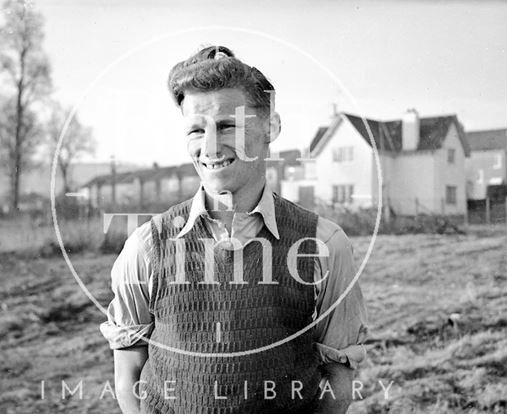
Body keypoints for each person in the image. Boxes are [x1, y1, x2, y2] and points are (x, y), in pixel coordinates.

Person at [100, 45, 368, 413]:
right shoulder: (146, 246)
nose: (209, 147)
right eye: (196, 130)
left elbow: (337, 377)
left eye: (227, 126)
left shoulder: (323, 245)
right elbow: (128, 372)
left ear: (270, 128)